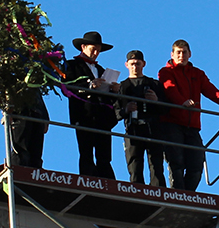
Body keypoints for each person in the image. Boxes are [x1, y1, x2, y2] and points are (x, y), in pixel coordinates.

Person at [157, 39, 219, 191]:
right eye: (178, 53)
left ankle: (187, 194)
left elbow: (210, 89)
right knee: (177, 162)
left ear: (190, 54)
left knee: (197, 163)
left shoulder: (197, 74)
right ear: (172, 54)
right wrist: (182, 102)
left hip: (192, 126)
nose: (181, 55)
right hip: (172, 123)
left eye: (184, 52)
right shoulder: (166, 72)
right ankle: (179, 195)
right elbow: (170, 89)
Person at [63, 31, 118, 178]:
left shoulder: (101, 70)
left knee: (104, 155)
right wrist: (89, 85)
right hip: (84, 114)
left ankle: (107, 183)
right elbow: (67, 87)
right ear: (83, 47)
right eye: (93, 49)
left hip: (102, 117)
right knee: (86, 152)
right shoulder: (71, 65)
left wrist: (113, 91)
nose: (95, 53)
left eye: (98, 51)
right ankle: (88, 181)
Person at [116, 50, 166, 186]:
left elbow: (166, 109)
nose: (135, 67)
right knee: (134, 166)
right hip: (132, 129)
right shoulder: (122, 87)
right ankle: (137, 192)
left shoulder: (154, 85)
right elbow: (115, 112)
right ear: (126, 64)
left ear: (143, 64)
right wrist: (126, 110)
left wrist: (155, 101)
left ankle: (159, 192)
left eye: (137, 63)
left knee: (157, 166)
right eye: (132, 64)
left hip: (153, 129)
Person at [7, 81, 49, 169]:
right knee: (21, 150)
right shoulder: (13, 75)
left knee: (36, 151)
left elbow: (37, 93)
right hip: (20, 111)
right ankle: (18, 172)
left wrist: (45, 116)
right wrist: (9, 108)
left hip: (37, 112)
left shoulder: (33, 75)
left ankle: (35, 173)